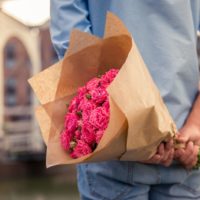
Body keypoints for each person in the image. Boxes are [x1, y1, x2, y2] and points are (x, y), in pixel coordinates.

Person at [50, 1, 200, 199]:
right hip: (184, 136)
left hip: (113, 147)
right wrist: (196, 123)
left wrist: (133, 135)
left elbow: (72, 40)